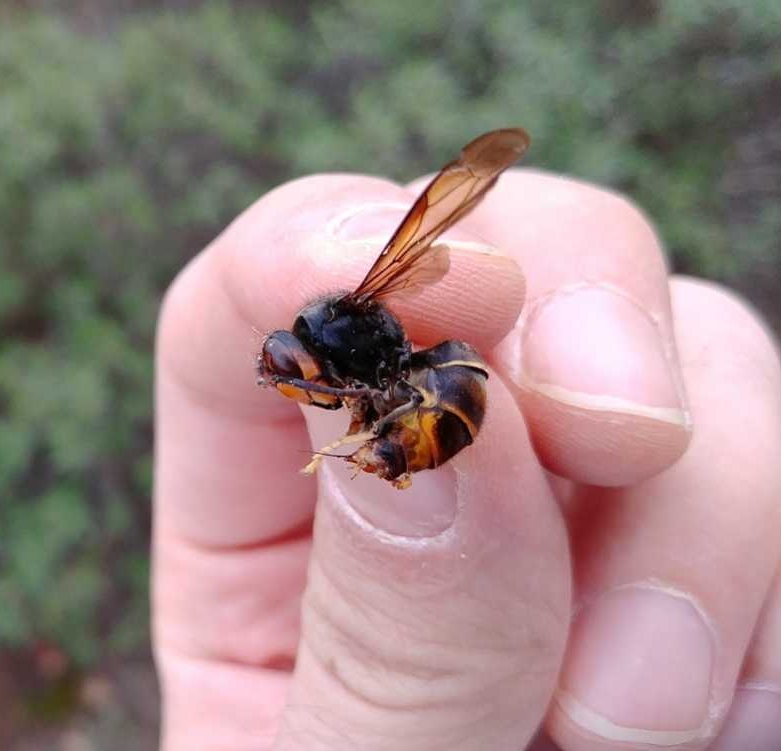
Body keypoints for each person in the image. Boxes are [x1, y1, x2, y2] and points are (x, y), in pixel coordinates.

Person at [151, 169, 781, 750]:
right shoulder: (333, 361)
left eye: (291, 370)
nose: (293, 385)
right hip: (423, 393)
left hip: (444, 385)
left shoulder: (352, 324)